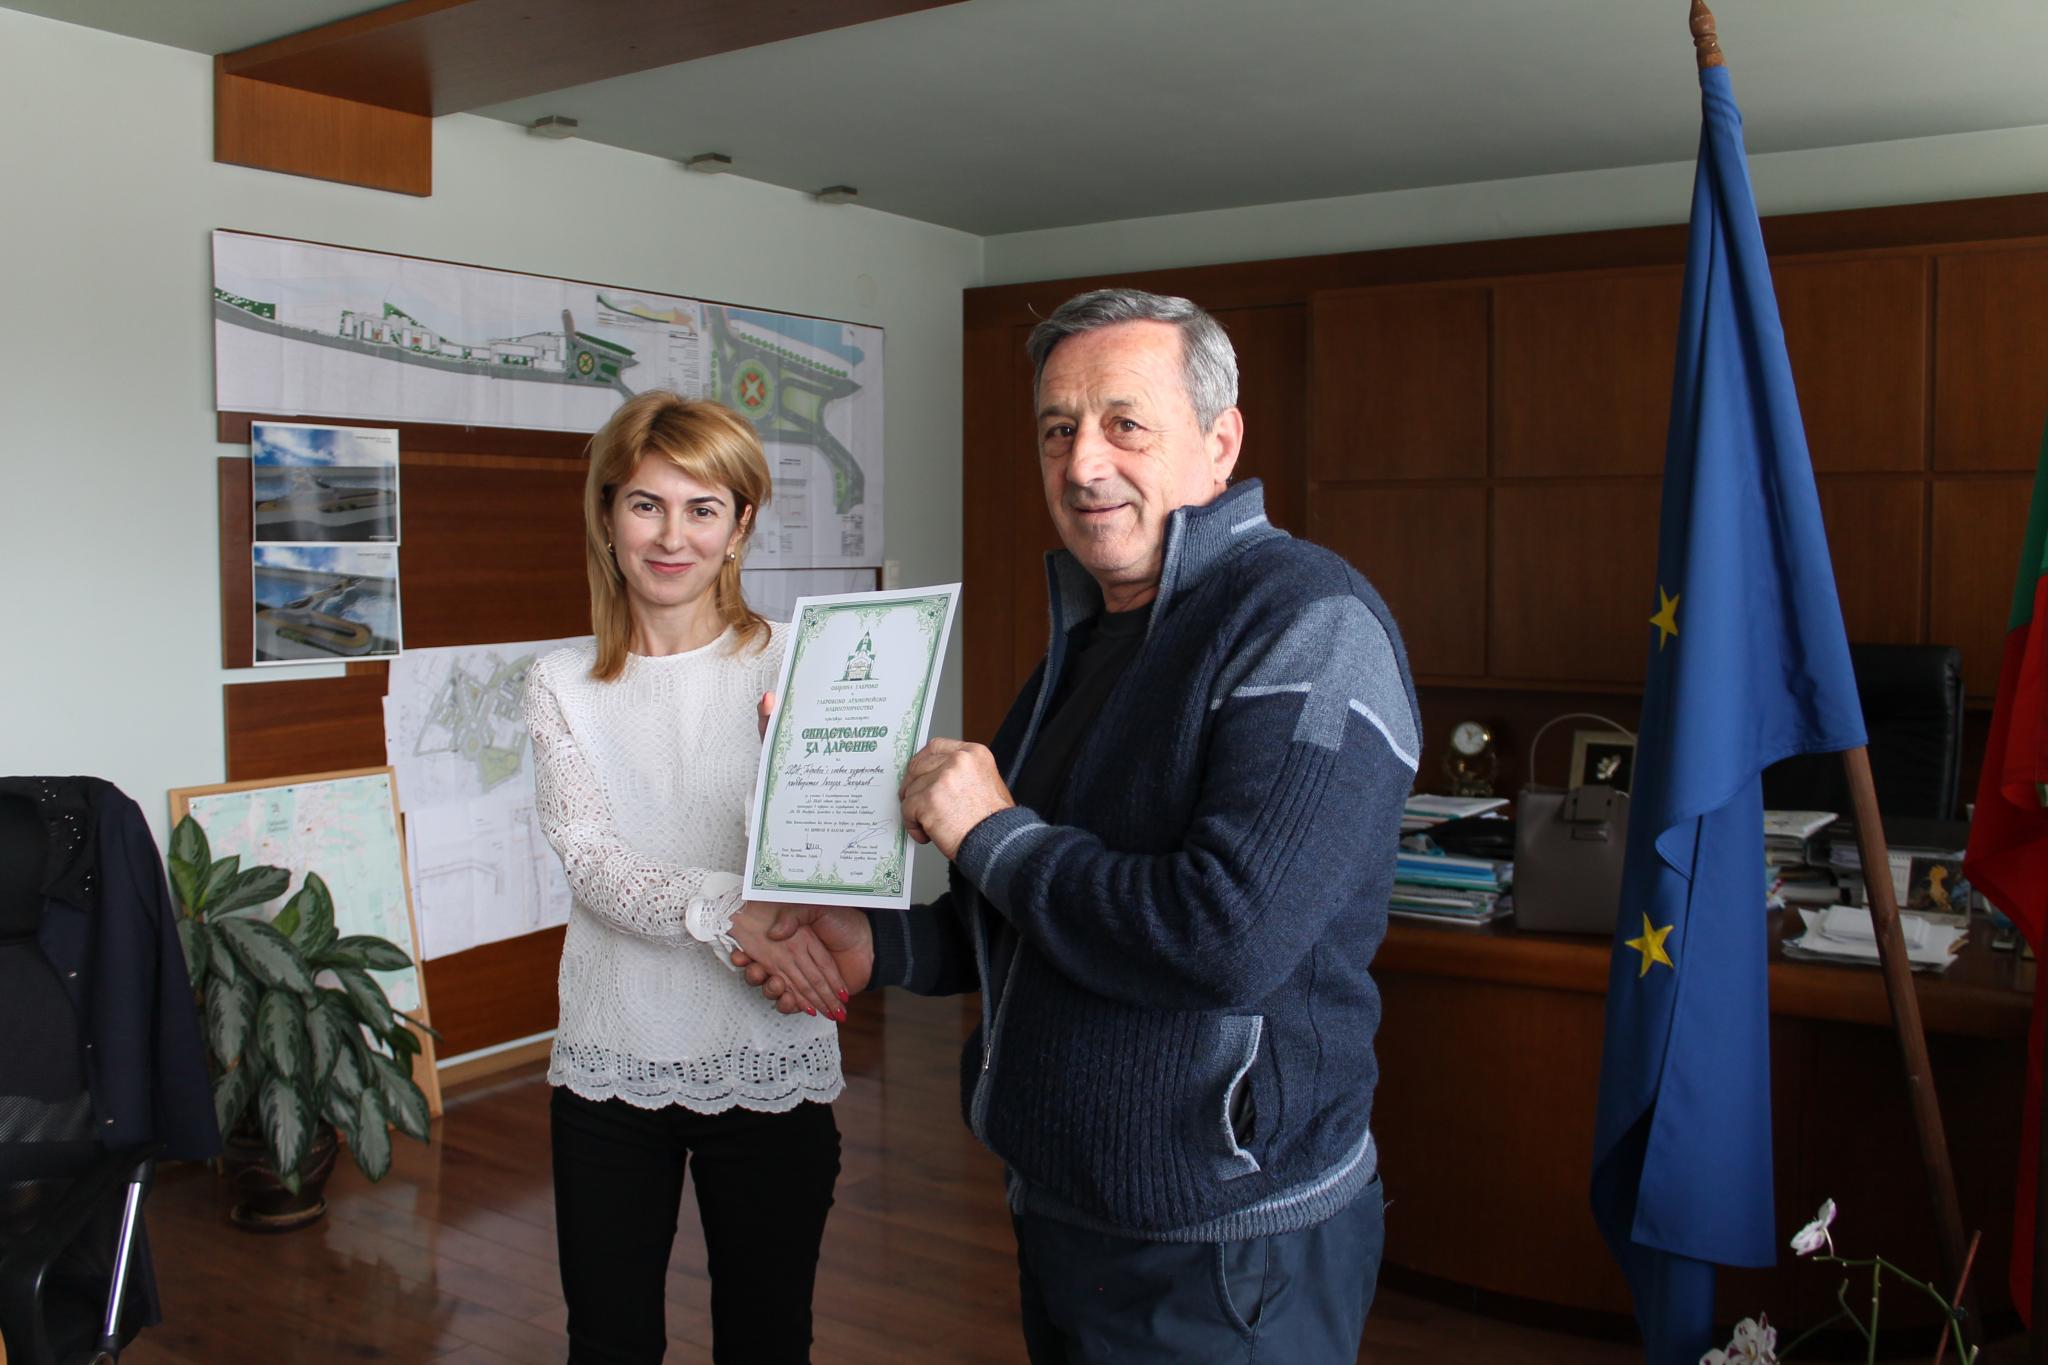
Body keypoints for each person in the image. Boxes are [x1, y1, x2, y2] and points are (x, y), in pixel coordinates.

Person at [739, 289, 1420, 1362]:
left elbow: (1224, 936)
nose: (1083, 463)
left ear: (1220, 442)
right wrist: (878, 945)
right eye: (1057, 430)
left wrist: (991, 829)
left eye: (1124, 423)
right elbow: (1020, 905)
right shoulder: (1096, 636)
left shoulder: (1308, 623)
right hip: (1064, 1209)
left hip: (1225, 1248)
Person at [525, 391, 852, 1365]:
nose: (673, 537)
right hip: (612, 1058)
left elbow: (831, 861)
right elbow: (590, 858)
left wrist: (792, 775)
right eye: (646, 505)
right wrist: (726, 913)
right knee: (608, 1343)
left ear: (740, 525)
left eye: (702, 508)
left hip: (768, 1048)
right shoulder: (558, 682)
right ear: (606, 516)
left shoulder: (802, 664)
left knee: (767, 1340)